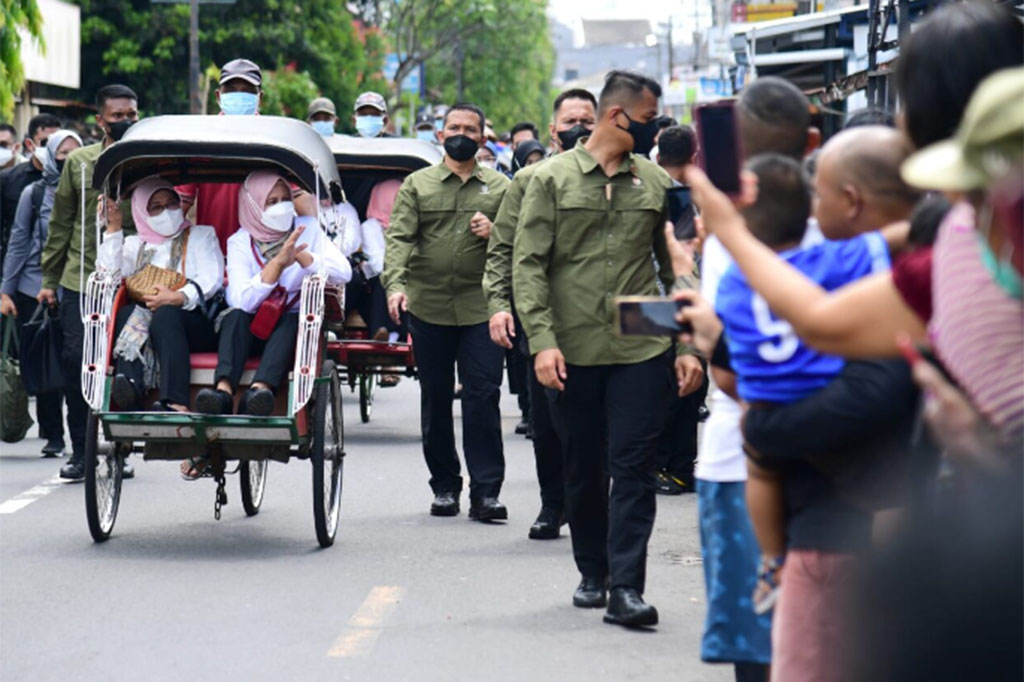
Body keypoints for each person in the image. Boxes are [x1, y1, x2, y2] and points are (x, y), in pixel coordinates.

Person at [513, 70, 676, 628]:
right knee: (582, 466)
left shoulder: (655, 182)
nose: (655, 127)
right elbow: (529, 265)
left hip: (641, 340)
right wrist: (541, 342)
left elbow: (675, 269)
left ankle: (627, 588)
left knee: (633, 467)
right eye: (649, 117)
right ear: (618, 117)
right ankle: (593, 570)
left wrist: (685, 347)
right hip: (571, 344)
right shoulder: (551, 180)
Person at [383, 103, 511, 522]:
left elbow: (517, 244)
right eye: (453, 127)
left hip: (483, 307)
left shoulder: (501, 188)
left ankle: (486, 492)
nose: (460, 134)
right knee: (435, 398)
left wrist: (495, 232)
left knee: (482, 397)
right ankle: (444, 487)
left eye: (469, 129)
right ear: (440, 135)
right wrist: (396, 286)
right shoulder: (417, 185)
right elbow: (399, 238)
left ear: (482, 138)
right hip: (430, 307)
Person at [484, 87, 597, 540]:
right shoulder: (530, 181)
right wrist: (498, 306)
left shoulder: (620, 178)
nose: (580, 130)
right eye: (571, 121)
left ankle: (592, 504)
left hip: (602, 324)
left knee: (598, 424)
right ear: (554, 130)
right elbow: (503, 249)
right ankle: (554, 504)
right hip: (542, 319)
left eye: (588, 121)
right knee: (548, 423)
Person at [39, 84, 139, 481]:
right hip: (80, 281)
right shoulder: (79, 163)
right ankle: (82, 453)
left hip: (131, 281)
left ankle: (121, 445)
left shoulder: (148, 160)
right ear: (100, 120)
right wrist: (49, 279)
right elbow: (60, 225)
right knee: (77, 365)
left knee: (125, 365)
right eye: (117, 116)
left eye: (131, 113)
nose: (126, 121)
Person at [195, 171, 351, 420]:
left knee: (293, 319)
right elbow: (240, 299)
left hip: (288, 333)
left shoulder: (307, 229)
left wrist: (304, 258)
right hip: (249, 328)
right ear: (254, 206)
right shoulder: (240, 241)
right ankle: (222, 393)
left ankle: (259, 392)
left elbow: (344, 272)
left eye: (284, 199)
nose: (282, 207)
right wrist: (276, 265)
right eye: (272, 202)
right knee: (235, 316)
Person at [98, 177, 223, 417]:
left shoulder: (201, 235)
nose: (167, 212)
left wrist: (177, 297)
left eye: (172, 204)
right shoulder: (136, 244)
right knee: (127, 313)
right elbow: (109, 276)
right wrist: (113, 229)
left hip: (194, 321)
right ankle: (131, 391)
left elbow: (211, 279)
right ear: (142, 212)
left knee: (165, 315)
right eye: (156, 207)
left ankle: (176, 401)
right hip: (147, 323)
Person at [0, 129, 82, 458]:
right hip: (33, 290)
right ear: (49, 155)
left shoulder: (88, 192)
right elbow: (18, 242)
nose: (67, 161)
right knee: (46, 361)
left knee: (75, 362)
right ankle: (54, 435)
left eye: (74, 154)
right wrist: (5, 291)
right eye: (62, 154)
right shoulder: (33, 194)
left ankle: (88, 438)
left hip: (76, 289)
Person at [653, 124, 707, 495]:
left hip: (650, 306)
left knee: (662, 388)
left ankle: (669, 466)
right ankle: (677, 467)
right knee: (686, 389)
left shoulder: (644, 186)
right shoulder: (685, 197)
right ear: (694, 156)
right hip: (686, 300)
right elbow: (687, 256)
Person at [177, 58, 263, 252]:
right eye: (231, 89)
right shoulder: (201, 141)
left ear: (260, 97)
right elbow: (180, 203)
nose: (239, 95)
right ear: (218, 95)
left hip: (261, 262)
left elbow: (300, 200)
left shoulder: (274, 142)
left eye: (248, 90)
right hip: (210, 257)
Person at [1, 114, 62, 273]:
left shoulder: (69, 178)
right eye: (45, 142)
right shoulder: (8, 179)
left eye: (58, 143)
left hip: (57, 264)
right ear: (30, 144)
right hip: (18, 265)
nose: (52, 148)